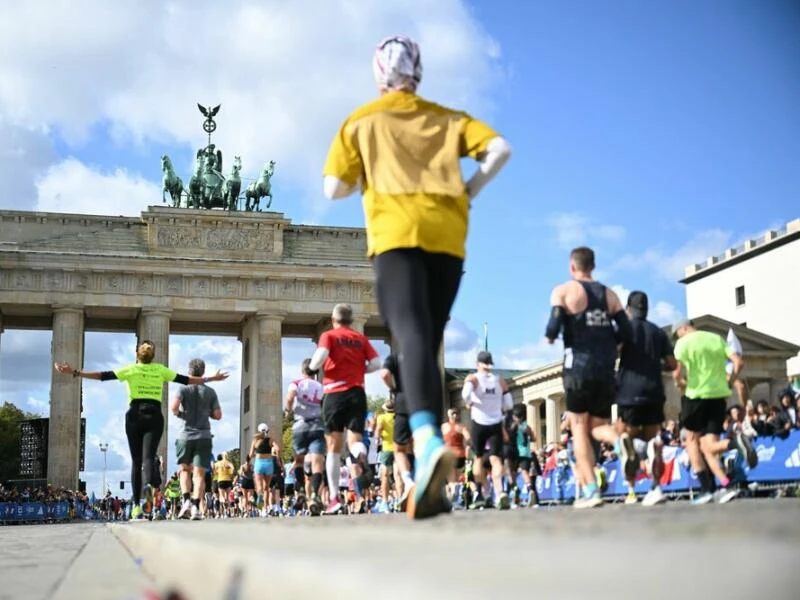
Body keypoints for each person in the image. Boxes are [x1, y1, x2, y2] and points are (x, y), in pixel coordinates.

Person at [323, 35, 511, 520]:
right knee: (426, 339)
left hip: (395, 234)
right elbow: (500, 151)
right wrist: (468, 190)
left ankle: (426, 445)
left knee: (408, 336)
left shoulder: (360, 121)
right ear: (419, 72)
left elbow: (332, 189)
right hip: (449, 236)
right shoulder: (448, 118)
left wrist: (365, 175)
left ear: (377, 74)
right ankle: (430, 459)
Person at [53, 340, 229, 519]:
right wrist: (211, 379)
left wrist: (75, 372)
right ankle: (148, 499)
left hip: (135, 415)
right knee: (148, 460)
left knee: (136, 461)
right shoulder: (160, 370)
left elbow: (103, 376)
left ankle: (137, 506)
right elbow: (187, 379)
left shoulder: (131, 369)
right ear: (153, 355)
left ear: (137, 354)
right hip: (154, 416)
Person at [545, 247, 632, 509]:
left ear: (573, 267)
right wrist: (609, 345)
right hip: (606, 367)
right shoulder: (610, 295)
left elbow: (554, 324)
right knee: (597, 427)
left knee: (579, 429)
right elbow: (626, 330)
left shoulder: (564, 291)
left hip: (578, 367)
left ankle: (592, 490)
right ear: (592, 266)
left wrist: (550, 337)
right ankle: (618, 440)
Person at [672, 319, 757, 505]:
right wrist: (731, 380)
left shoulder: (683, 343)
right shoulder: (716, 339)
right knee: (709, 446)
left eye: (677, 332)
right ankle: (733, 451)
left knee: (691, 441)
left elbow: (677, 373)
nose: (677, 336)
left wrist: (680, 385)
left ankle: (705, 490)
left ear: (683, 328)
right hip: (719, 397)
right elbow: (738, 362)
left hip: (695, 396)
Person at [309, 303, 381, 515]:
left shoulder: (329, 336)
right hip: (357, 393)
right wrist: (360, 369)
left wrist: (314, 367)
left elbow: (318, 359)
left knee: (333, 447)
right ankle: (361, 456)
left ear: (333, 319)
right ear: (351, 320)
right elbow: (377, 363)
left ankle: (333, 498)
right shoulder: (360, 338)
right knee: (355, 441)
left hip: (334, 393)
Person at [612, 291, 676, 506]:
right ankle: (655, 487)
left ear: (629, 309)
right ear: (647, 309)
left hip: (628, 392)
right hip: (654, 392)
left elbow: (613, 352)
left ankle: (631, 491)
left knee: (624, 440)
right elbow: (672, 364)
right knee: (652, 439)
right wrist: (655, 363)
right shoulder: (658, 333)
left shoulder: (625, 329)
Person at [171, 358, 222, 520]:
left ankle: (185, 500)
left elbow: (173, 407)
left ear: (189, 371)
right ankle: (195, 506)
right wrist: (207, 413)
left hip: (185, 435)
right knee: (199, 474)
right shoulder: (210, 392)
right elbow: (218, 415)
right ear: (203, 372)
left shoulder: (183, 389)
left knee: (184, 470)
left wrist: (180, 414)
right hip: (204, 436)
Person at [462, 351, 513, 510]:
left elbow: (465, 395)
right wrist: (498, 407)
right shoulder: (500, 381)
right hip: (495, 423)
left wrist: (471, 402)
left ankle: (483, 492)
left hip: (479, 422)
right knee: (496, 460)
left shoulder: (473, 378)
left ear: (478, 364)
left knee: (478, 459)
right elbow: (509, 405)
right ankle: (500, 492)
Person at [285, 358, 327, 515]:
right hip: (317, 426)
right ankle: (315, 495)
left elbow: (290, 397)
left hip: (300, 426)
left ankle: (302, 490)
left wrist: (288, 410)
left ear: (303, 370)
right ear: (316, 371)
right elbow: (325, 405)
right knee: (317, 463)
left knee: (299, 461)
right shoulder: (321, 386)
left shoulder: (296, 383)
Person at [380, 352, 415, 511]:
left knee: (398, 453)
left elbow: (384, 373)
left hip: (403, 404)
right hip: (424, 404)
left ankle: (408, 484)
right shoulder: (426, 352)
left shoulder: (396, 356)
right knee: (424, 445)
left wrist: (394, 388)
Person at [441, 408, 470, 506]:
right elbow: (469, 440)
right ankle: (453, 500)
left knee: (450, 481)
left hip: (448, 456)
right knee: (456, 479)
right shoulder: (462, 427)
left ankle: (454, 494)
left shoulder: (443, 427)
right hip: (460, 456)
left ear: (448, 415)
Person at [247, 424, 274, 517]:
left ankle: (260, 502)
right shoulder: (270, 440)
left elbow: (250, 455)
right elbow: (278, 449)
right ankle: (265, 509)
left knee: (259, 487)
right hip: (269, 463)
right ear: (268, 430)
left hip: (259, 463)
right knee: (267, 487)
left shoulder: (255, 440)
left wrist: (257, 454)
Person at [374, 398, 396, 512]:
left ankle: (385, 502)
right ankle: (399, 500)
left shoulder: (381, 417)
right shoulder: (398, 417)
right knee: (398, 475)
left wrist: (377, 439)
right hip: (399, 448)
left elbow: (378, 429)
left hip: (387, 448)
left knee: (385, 476)